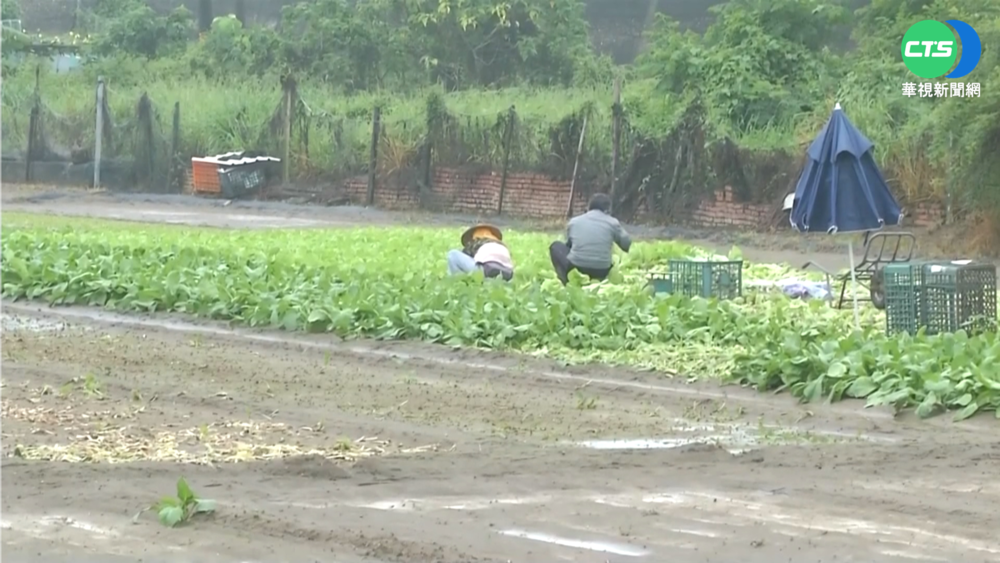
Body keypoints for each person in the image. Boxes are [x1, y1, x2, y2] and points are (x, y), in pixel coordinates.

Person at [549, 193, 631, 285]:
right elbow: (626, 245)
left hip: (577, 268)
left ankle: (566, 281)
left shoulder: (575, 222)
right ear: (608, 210)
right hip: (602, 270)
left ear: (589, 207)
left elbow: (569, 244)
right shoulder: (613, 223)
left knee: (555, 246)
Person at [446, 224, 515, 281]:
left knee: (453, 254)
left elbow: (465, 254)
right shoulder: (502, 246)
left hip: (486, 271)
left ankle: (458, 281)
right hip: (507, 275)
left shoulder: (477, 243)